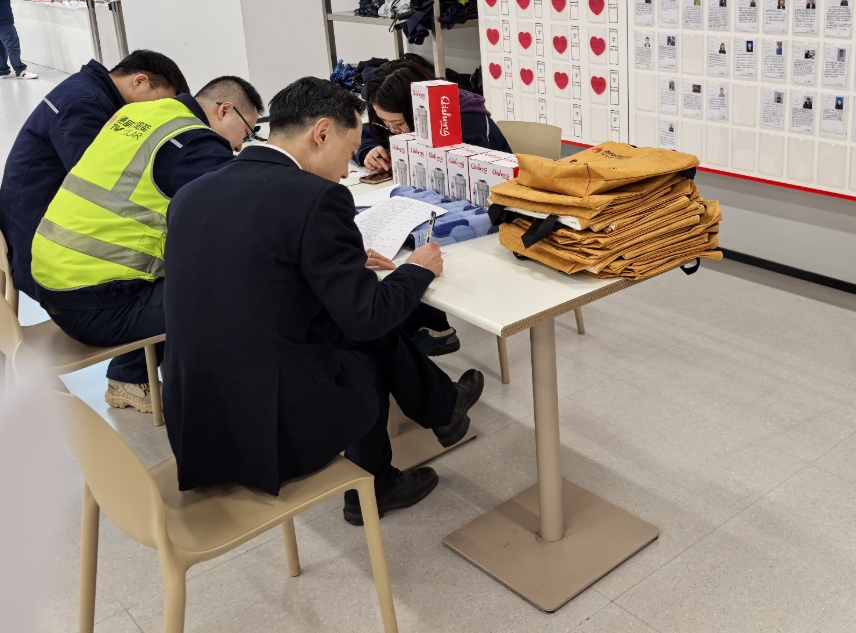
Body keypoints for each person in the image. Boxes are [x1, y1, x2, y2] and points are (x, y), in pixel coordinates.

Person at [163, 77, 483, 524]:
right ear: (322, 133)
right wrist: (418, 269)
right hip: (270, 428)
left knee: (349, 314)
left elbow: (254, 272)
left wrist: (338, 261)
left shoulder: (193, 192)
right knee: (366, 339)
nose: (346, 172)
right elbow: (367, 317)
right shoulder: (315, 198)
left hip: (198, 418)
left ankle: (443, 410)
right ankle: (378, 484)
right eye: (348, 152)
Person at [31, 75, 263, 413]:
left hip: (55, 280)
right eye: (246, 132)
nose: (240, 145)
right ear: (225, 110)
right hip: (94, 305)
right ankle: (223, 403)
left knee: (183, 264)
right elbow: (243, 207)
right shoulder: (193, 141)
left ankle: (129, 375)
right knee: (229, 292)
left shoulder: (140, 113)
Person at [0, 50, 188, 304]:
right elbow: (103, 184)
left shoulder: (90, 92)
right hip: (42, 248)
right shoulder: (84, 103)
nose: (160, 112)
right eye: (161, 102)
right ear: (140, 81)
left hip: (44, 226)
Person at [358, 59, 510, 357]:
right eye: (387, 125)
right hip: (432, 202)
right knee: (383, 241)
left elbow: (472, 187)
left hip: (484, 212)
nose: (393, 131)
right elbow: (368, 132)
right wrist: (369, 150)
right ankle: (411, 325)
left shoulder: (465, 120)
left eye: (398, 124)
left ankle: (429, 327)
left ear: (418, 108)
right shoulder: (401, 117)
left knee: (412, 246)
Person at [0, 0, 37, 80]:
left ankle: (2, 70)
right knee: (12, 42)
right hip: (2, 15)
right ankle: (20, 70)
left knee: (1, 44)